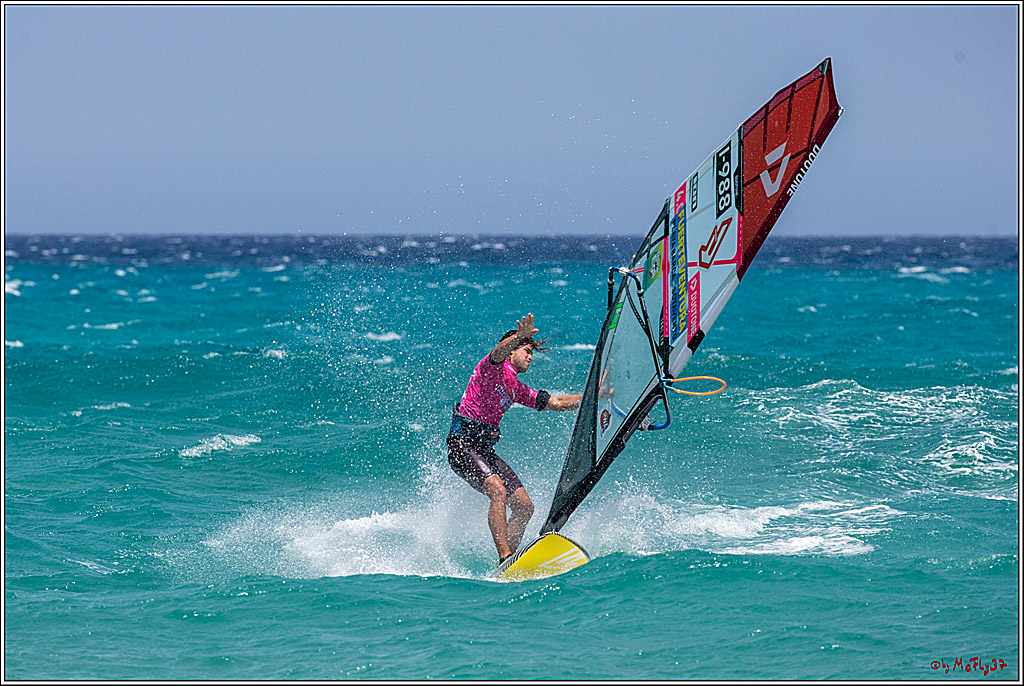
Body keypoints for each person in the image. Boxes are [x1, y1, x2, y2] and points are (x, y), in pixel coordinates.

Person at [447, 313, 582, 565]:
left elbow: (556, 402)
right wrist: (519, 337)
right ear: (511, 352)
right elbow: (497, 352)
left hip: (484, 450)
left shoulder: (516, 388)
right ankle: (504, 557)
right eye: (526, 351)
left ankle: (511, 563)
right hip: (462, 445)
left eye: (531, 352)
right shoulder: (491, 369)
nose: (531, 357)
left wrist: (593, 397)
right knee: (498, 491)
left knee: (524, 507)